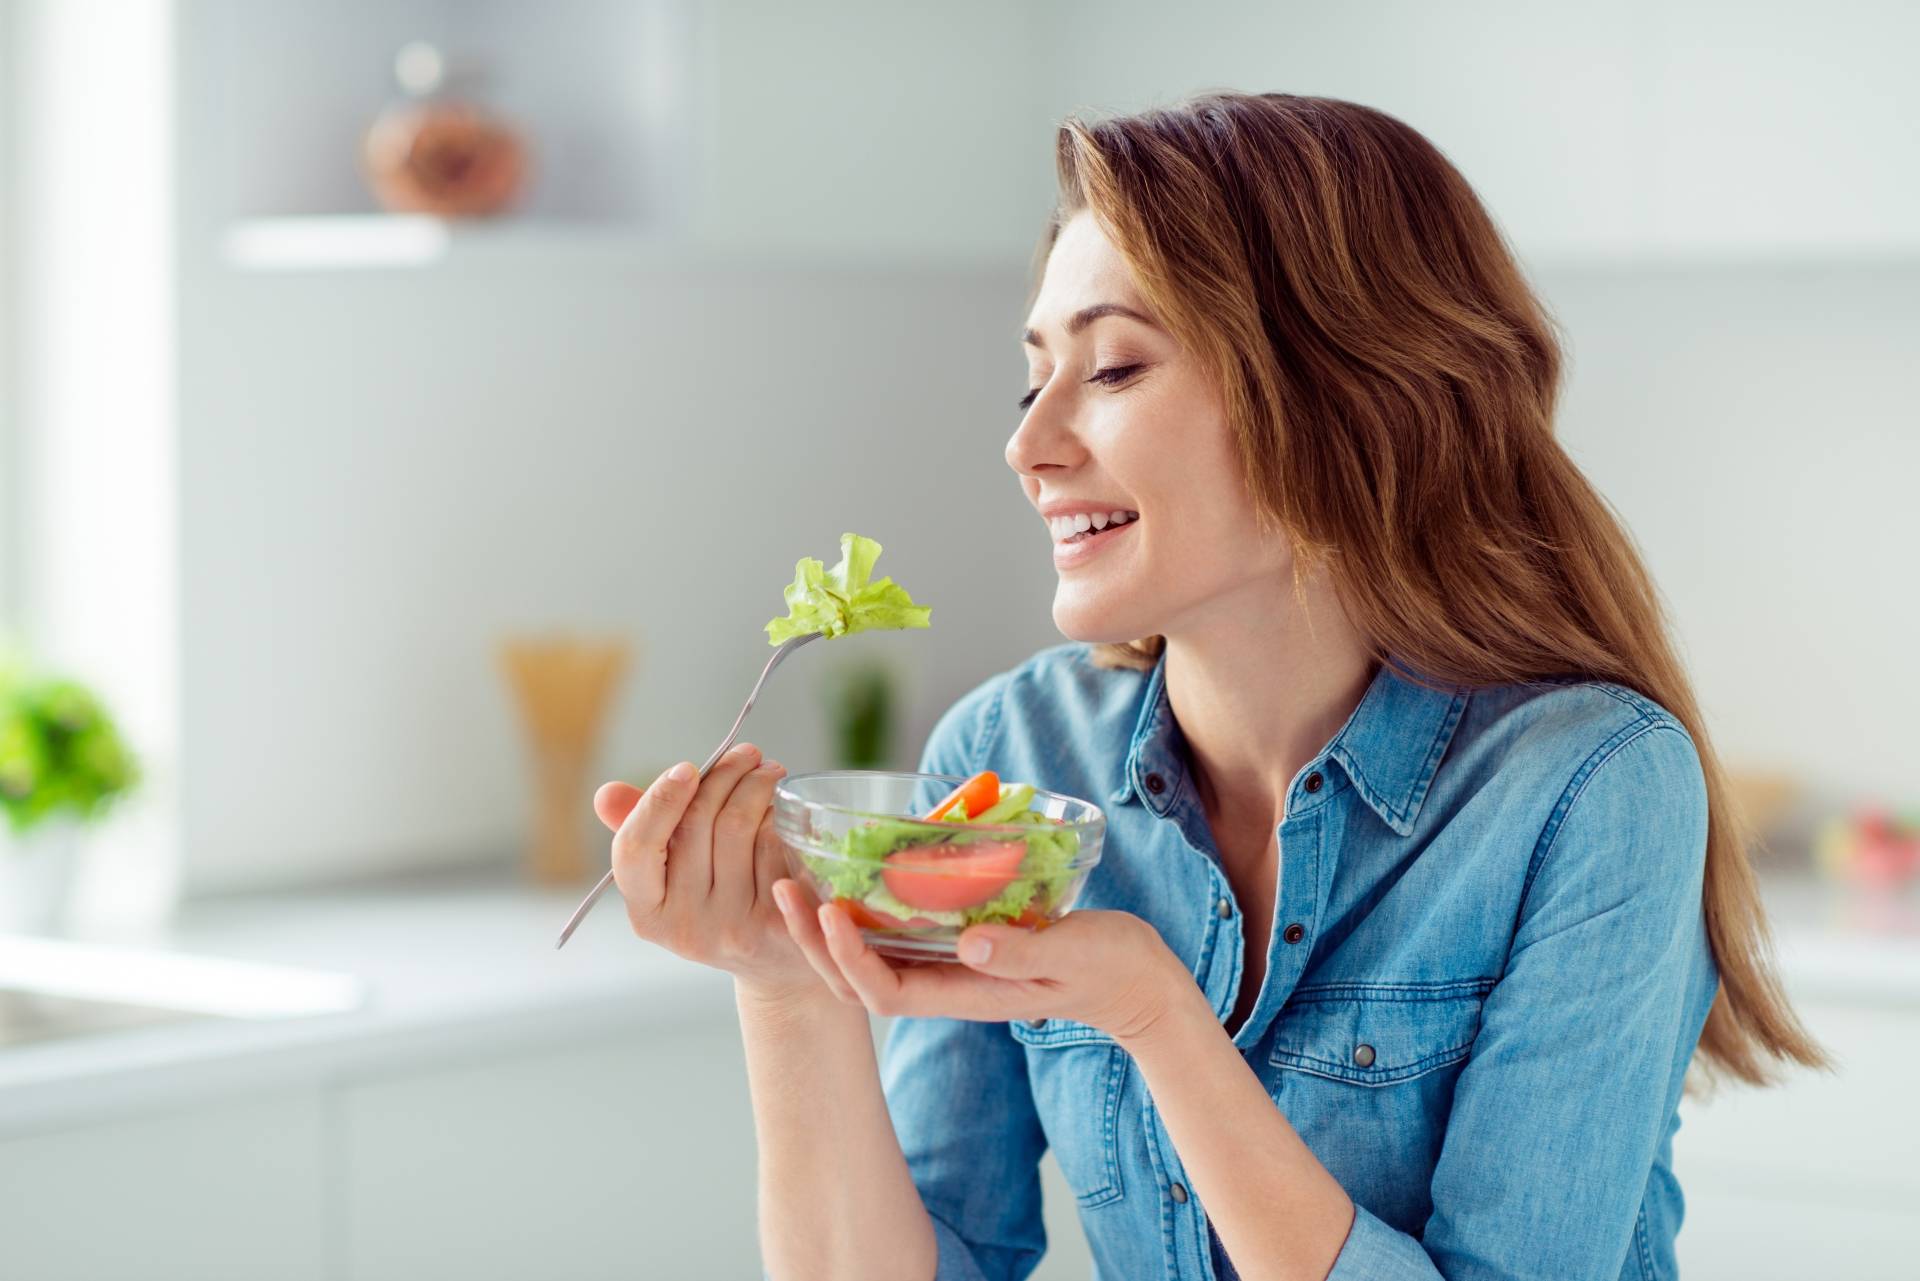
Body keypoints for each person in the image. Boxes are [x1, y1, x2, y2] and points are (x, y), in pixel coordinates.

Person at [594, 91, 1826, 1281]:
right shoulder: (1011, 754)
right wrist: (788, 987)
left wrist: (1154, 1012)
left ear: (1348, 398)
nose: (1029, 444)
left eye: (1116, 369)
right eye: (1036, 377)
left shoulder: (1587, 787)